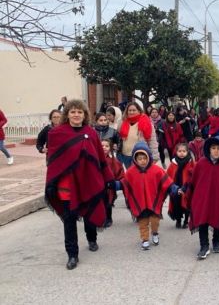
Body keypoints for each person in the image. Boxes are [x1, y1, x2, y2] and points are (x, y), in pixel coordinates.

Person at [44, 99, 114, 270]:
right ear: (67, 114)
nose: (76, 115)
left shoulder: (91, 132)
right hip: (67, 185)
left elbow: (99, 157)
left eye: (80, 112)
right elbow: (53, 161)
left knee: (89, 212)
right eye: (73, 111)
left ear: (85, 115)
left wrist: (108, 178)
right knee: (69, 220)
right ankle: (72, 254)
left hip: (88, 182)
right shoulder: (57, 133)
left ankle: (92, 239)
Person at [115, 142, 179, 250]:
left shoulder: (156, 170)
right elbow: (123, 183)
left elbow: (167, 182)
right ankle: (145, 239)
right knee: (143, 223)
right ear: (135, 159)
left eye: (144, 158)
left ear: (149, 157)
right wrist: (113, 184)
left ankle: (154, 233)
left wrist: (174, 189)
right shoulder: (131, 172)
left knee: (155, 221)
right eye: (139, 159)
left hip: (153, 202)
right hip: (140, 203)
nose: (142, 161)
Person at [118, 102, 159, 168]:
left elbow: (152, 141)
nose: (131, 112)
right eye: (130, 110)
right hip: (125, 155)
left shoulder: (146, 123)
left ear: (139, 111)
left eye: (134, 110)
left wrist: (155, 157)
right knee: (129, 175)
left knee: (138, 176)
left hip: (139, 156)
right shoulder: (122, 123)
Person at [167, 143, 195, 229]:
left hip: (186, 187)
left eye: (184, 151)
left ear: (187, 152)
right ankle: (178, 220)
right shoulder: (173, 163)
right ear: (176, 152)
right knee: (177, 205)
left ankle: (186, 221)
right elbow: (168, 175)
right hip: (176, 187)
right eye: (179, 151)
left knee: (186, 205)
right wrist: (171, 186)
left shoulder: (190, 162)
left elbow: (194, 174)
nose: (181, 153)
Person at [100, 139, 124, 228]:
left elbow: (119, 171)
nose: (104, 148)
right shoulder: (95, 158)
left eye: (106, 146)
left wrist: (118, 182)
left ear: (110, 148)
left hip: (109, 186)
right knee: (100, 203)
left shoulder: (113, 160)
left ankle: (109, 219)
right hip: (98, 185)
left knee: (108, 203)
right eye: (102, 146)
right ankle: (101, 218)